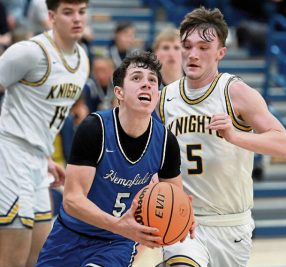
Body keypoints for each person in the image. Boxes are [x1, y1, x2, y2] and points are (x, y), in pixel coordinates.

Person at [159, 6, 286, 267]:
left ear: (221, 52)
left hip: (231, 224)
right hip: (185, 221)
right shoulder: (165, 99)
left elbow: (285, 146)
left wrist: (235, 136)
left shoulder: (236, 92)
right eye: (187, 46)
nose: (193, 54)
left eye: (203, 47)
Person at [35, 51, 193, 267]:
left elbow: (175, 197)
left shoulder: (166, 142)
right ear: (119, 92)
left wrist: (183, 217)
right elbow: (72, 200)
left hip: (116, 243)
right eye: (136, 78)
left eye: (152, 80)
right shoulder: (94, 129)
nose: (146, 84)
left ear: (157, 94)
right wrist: (118, 224)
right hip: (71, 234)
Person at [0, 0, 90, 266]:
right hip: (10, 154)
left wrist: (45, 157)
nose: (77, 19)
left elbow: (40, 114)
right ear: (51, 16)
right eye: (68, 12)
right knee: (13, 255)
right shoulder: (30, 52)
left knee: (39, 255)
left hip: (39, 159)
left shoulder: (82, 59)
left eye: (82, 12)